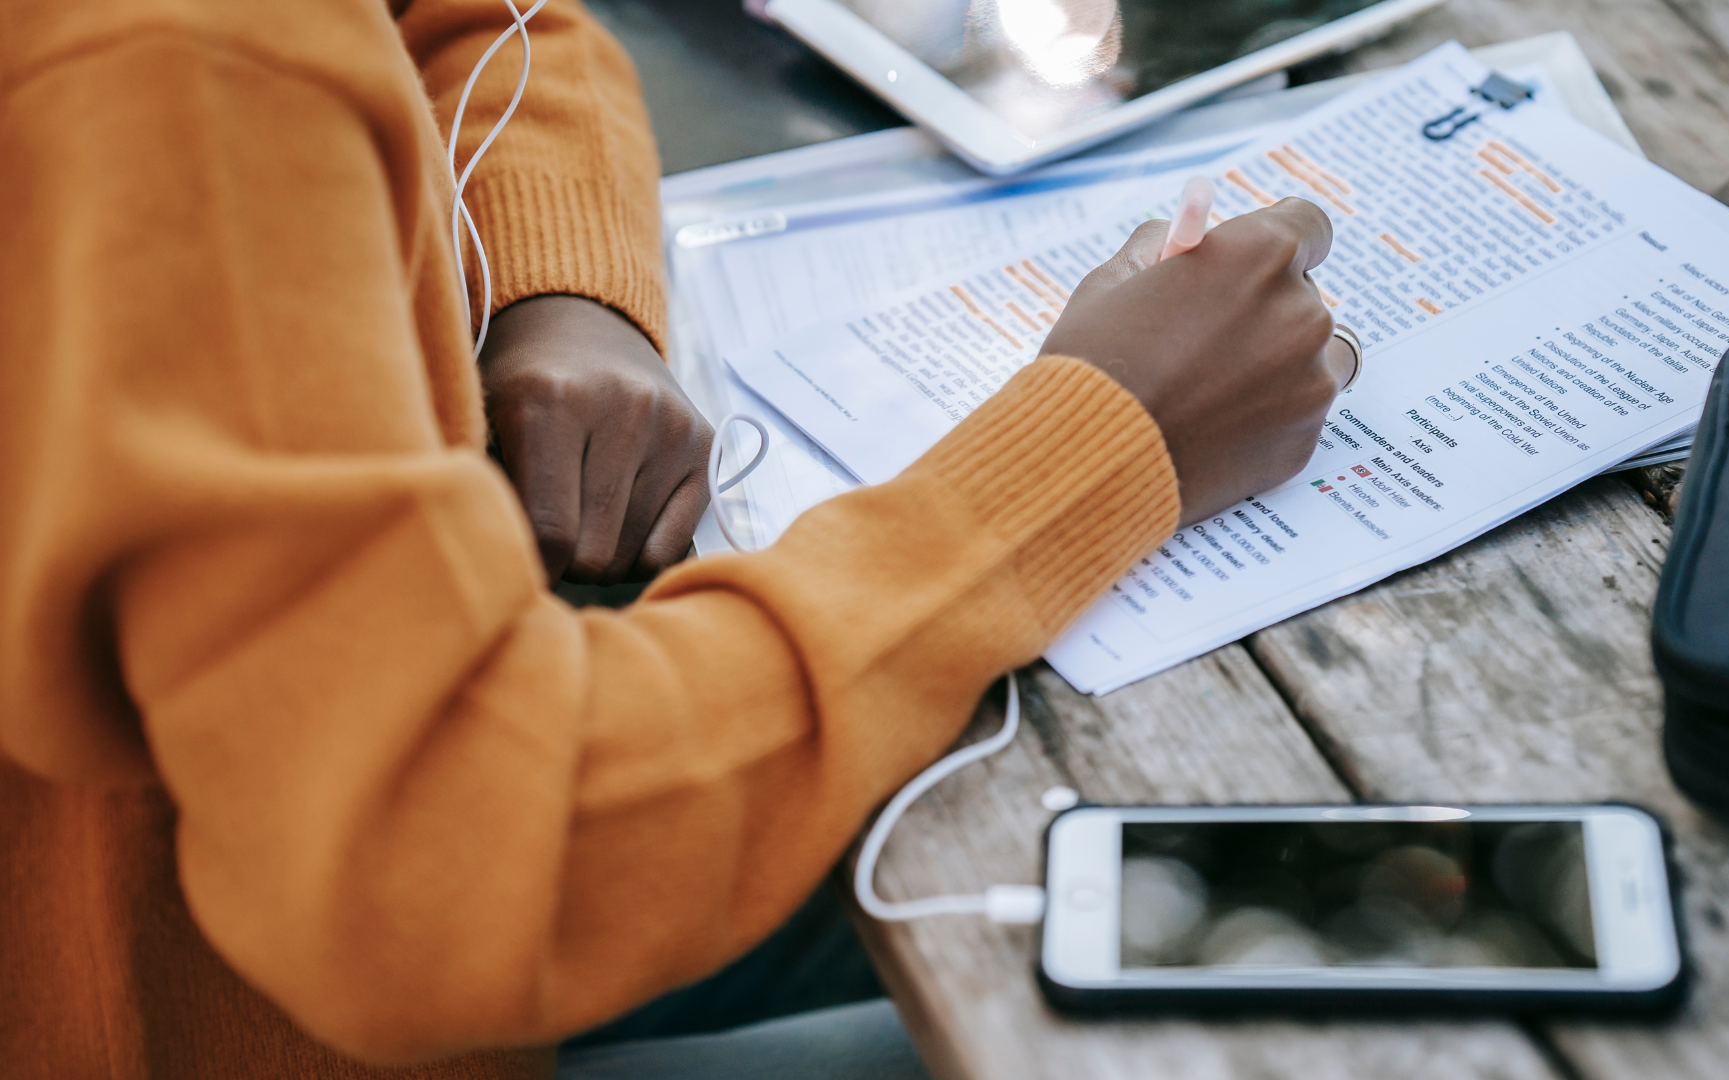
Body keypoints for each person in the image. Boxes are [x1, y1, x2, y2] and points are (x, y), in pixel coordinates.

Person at [0, 1, 1354, 1078]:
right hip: (248, 999)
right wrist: (1102, 444)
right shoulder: (170, 69)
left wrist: (557, 290)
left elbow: (497, 18)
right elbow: (444, 876)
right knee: (1238, 1032)